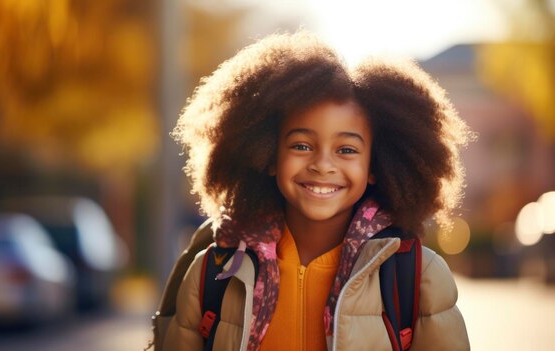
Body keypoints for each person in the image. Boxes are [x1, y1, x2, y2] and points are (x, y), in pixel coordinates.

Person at [162, 31, 471, 351]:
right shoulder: (213, 272)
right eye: (301, 145)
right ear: (267, 155)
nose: (323, 164)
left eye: (347, 150)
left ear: (376, 166)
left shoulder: (418, 277)